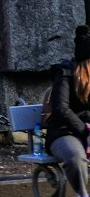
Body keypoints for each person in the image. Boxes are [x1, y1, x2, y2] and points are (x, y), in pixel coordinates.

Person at [46, 25, 90, 197]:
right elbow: (60, 108)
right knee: (75, 158)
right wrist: (84, 129)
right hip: (64, 132)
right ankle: (82, 194)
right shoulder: (64, 73)